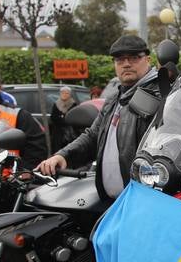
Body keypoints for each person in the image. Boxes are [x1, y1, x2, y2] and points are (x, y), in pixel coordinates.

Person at [36, 35, 159, 200]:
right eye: (120, 60)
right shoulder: (114, 100)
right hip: (113, 201)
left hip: (143, 200)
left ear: (148, 59)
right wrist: (63, 155)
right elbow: (93, 135)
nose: (127, 64)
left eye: (134, 58)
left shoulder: (160, 96)